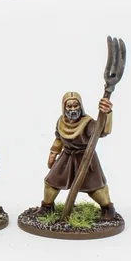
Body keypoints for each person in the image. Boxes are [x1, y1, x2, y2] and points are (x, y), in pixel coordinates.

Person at [39, 91, 116, 220]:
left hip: (86, 158)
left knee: (95, 187)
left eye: (76, 105)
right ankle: (47, 207)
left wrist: (107, 113)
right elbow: (59, 138)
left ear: (81, 106)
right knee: (51, 183)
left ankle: (107, 208)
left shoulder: (87, 123)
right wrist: (53, 153)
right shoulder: (61, 121)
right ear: (64, 107)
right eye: (69, 106)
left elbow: (102, 131)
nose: (73, 109)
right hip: (66, 157)